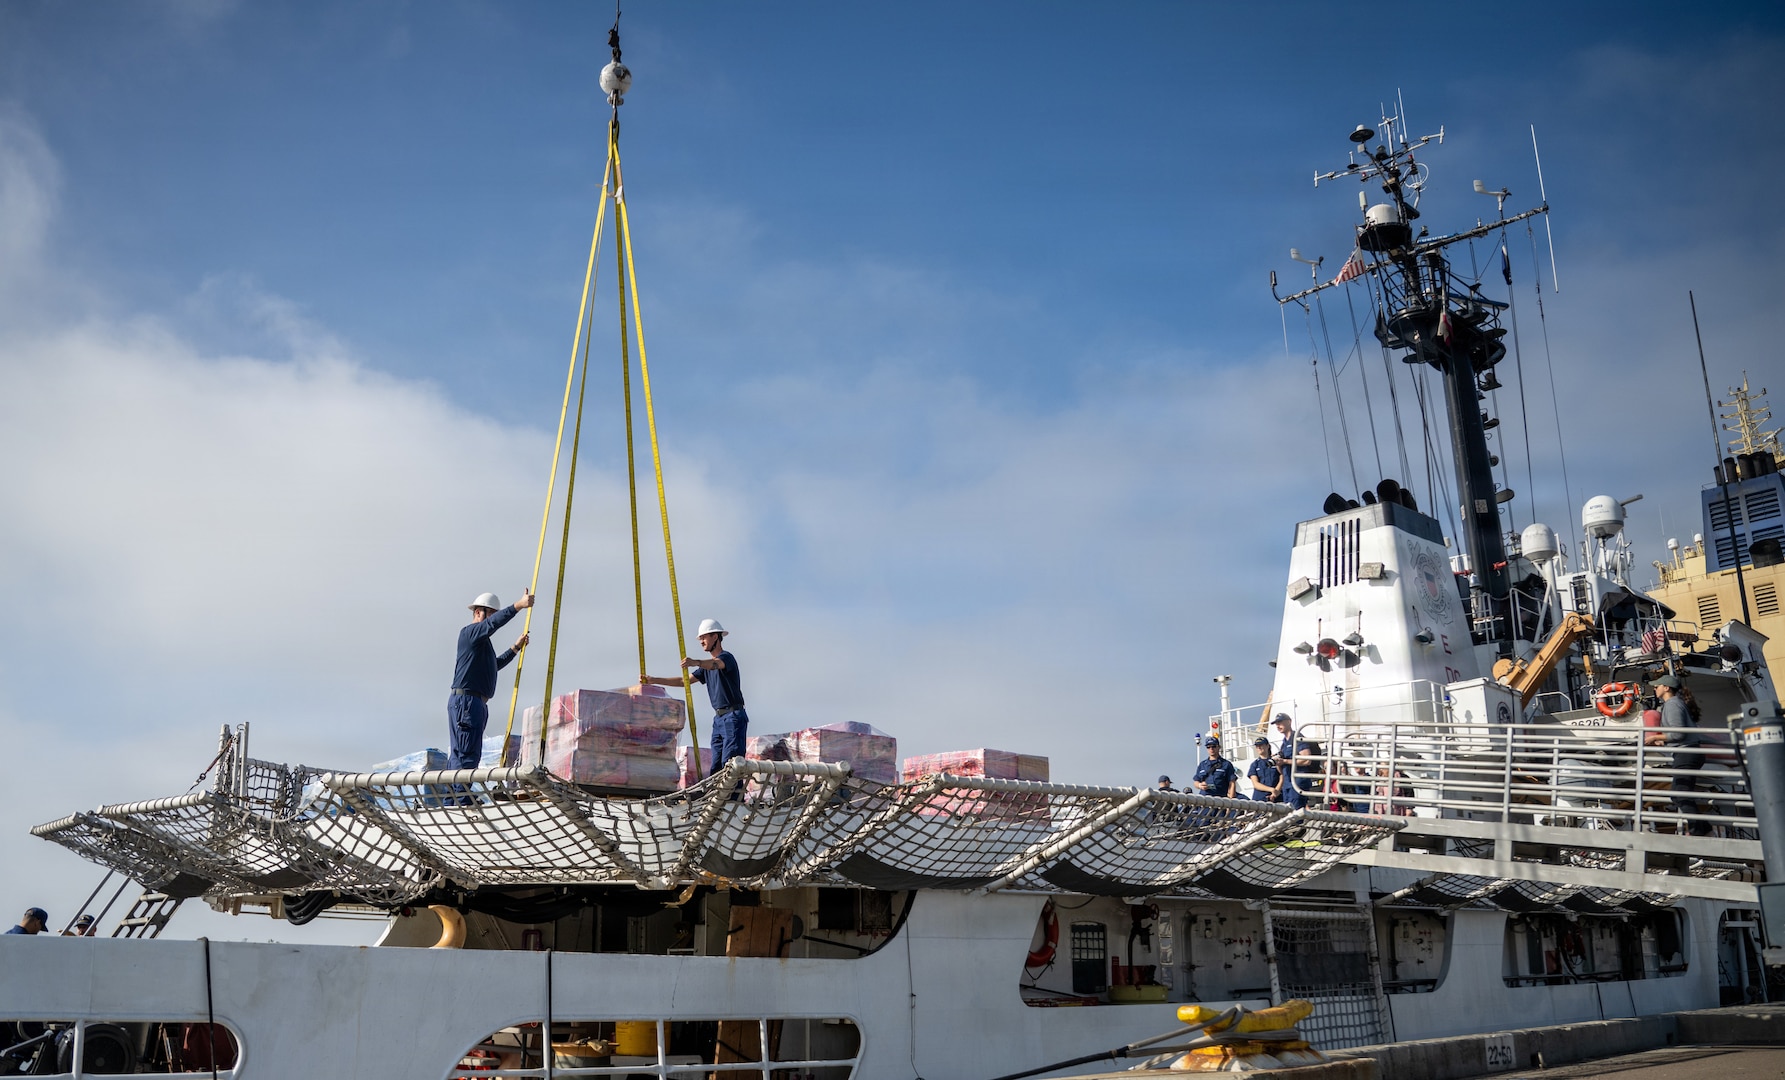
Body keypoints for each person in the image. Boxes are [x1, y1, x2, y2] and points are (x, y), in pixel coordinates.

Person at [645, 618, 745, 777]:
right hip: (719, 719)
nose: (701, 641)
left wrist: (696, 662)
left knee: (730, 762)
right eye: (700, 638)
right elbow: (683, 681)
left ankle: (732, 798)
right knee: (717, 765)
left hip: (732, 716)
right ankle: (718, 796)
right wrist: (654, 680)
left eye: (704, 637)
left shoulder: (726, 658)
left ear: (716, 637)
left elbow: (716, 664)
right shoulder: (706, 668)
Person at [448, 590, 533, 770]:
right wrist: (519, 605)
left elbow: (493, 666)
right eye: (491, 614)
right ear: (478, 612)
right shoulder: (470, 633)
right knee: (466, 755)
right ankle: (460, 798)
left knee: (468, 753)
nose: (493, 619)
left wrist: (515, 648)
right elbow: (494, 624)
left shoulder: (481, 644)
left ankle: (457, 797)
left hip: (473, 703)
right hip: (467, 703)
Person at [1655, 674, 1710, 836]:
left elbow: (1678, 733)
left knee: (1679, 794)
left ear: (1666, 688)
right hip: (1689, 752)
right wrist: (1664, 741)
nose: (1654, 688)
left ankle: (1699, 831)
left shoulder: (1672, 704)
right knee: (1680, 794)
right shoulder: (1676, 703)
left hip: (1686, 753)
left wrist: (1655, 737)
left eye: (1657, 686)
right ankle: (1702, 828)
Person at [1270, 714, 1300, 808]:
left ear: (1289, 721)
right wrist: (1278, 763)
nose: (1278, 726)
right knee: (1289, 814)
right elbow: (1281, 772)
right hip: (1287, 784)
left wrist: (1285, 761)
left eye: (1280, 722)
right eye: (1276, 724)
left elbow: (1307, 760)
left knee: (1296, 815)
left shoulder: (1297, 738)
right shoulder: (1284, 743)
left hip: (1296, 783)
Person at [1247, 737, 1283, 802]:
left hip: (1277, 798)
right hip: (1260, 799)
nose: (1259, 747)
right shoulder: (1255, 764)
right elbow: (1256, 784)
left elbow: (1282, 775)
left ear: (1267, 746)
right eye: (1257, 746)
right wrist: (1271, 790)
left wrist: (1276, 792)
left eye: (1261, 745)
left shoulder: (1276, 761)